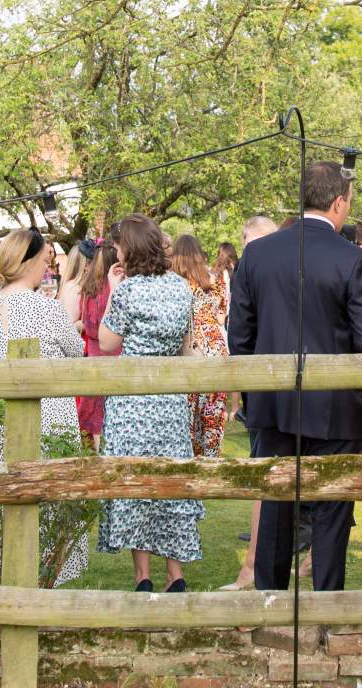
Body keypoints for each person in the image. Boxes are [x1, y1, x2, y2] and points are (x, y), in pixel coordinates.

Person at [227, 161, 362, 593]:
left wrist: (256, 393)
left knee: (275, 509)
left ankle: (271, 602)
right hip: (336, 407)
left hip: (273, 403)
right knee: (332, 512)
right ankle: (327, 607)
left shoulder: (257, 254)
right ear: (338, 202)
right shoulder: (352, 258)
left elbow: (239, 335)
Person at [98, 214, 203, 594]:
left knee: (137, 483)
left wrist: (112, 290)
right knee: (170, 482)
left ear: (129, 249)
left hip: (133, 404)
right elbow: (186, 345)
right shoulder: (180, 287)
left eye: (118, 248)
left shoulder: (127, 290)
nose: (116, 254)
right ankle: (176, 573)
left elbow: (106, 342)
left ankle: (142, 576)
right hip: (169, 403)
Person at [0, 226, 87, 586]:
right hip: (50, 410)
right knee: (50, 492)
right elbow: (76, 351)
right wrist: (74, 325)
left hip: (5, 411)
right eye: (44, 261)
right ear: (28, 262)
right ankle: (50, 575)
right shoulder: (45, 307)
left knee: (12, 491)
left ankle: (14, 570)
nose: (47, 268)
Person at [222, 213, 281, 592]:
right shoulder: (254, 271)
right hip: (265, 389)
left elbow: (240, 335)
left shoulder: (260, 271)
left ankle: (254, 568)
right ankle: (254, 567)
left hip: (276, 387)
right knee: (268, 475)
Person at [172, 234, 232, 458]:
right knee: (213, 414)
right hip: (215, 349)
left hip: (189, 349)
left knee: (188, 413)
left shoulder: (174, 284)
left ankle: (187, 460)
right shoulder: (215, 280)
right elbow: (221, 317)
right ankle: (211, 460)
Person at [76, 242, 122, 448]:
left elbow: (85, 323)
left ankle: (95, 450)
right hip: (114, 354)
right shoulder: (115, 290)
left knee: (94, 410)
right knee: (109, 410)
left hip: (93, 355)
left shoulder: (87, 289)